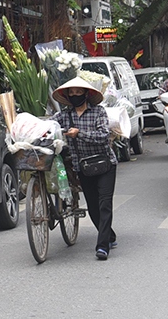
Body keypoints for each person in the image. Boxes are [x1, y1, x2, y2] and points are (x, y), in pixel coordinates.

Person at [53, 77, 117, 260]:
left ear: (86, 94)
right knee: (93, 206)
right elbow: (50, 125)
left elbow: (103, 135)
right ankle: (109, 235)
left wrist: (79, 133)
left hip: (105, 164)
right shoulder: (65, 115)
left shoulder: (98, 112)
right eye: (71, 93)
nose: (75, 96)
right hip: (83, 167)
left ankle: (102, 246)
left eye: (78, 92)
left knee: (105, 204)